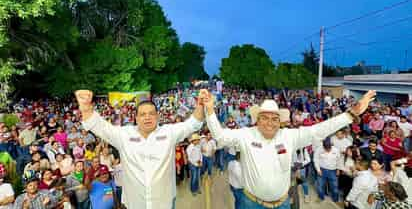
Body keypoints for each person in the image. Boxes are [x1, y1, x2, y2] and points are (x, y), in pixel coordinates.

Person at [203, 89, 376, 209]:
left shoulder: (289, 136)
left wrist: (350, 114)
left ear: (280, 121)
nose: (269, 123)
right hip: (251, 204)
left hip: (283, 204)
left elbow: (319, 130)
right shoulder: (245, 135)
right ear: (257, 120)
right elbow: (219, 136)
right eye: (265, 118)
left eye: (274, 119)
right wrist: (210, 110)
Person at [75, 89, 205, 209]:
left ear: (158, 116)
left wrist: (200, 104)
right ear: (136, 118)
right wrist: (85, 107)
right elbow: (99, 127)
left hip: (163, 203)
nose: (147, 117)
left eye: (151, 114)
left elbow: (193, 123)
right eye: (142, 114)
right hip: (135, 203)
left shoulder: (169, 132)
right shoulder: (124, 135)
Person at [314, 138, 340, 202]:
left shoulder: (336, 150)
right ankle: (321, 197)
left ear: (331, 145)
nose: (328, 150)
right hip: (322, 170)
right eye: (326, 148)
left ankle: (335, 199)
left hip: (333, 171)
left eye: (329, 148)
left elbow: (339, 160)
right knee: (320, 185)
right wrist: (318, 170)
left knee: (334, 187)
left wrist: (338, 169)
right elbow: (315, 159)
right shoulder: (319, 149)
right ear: (323, 146)